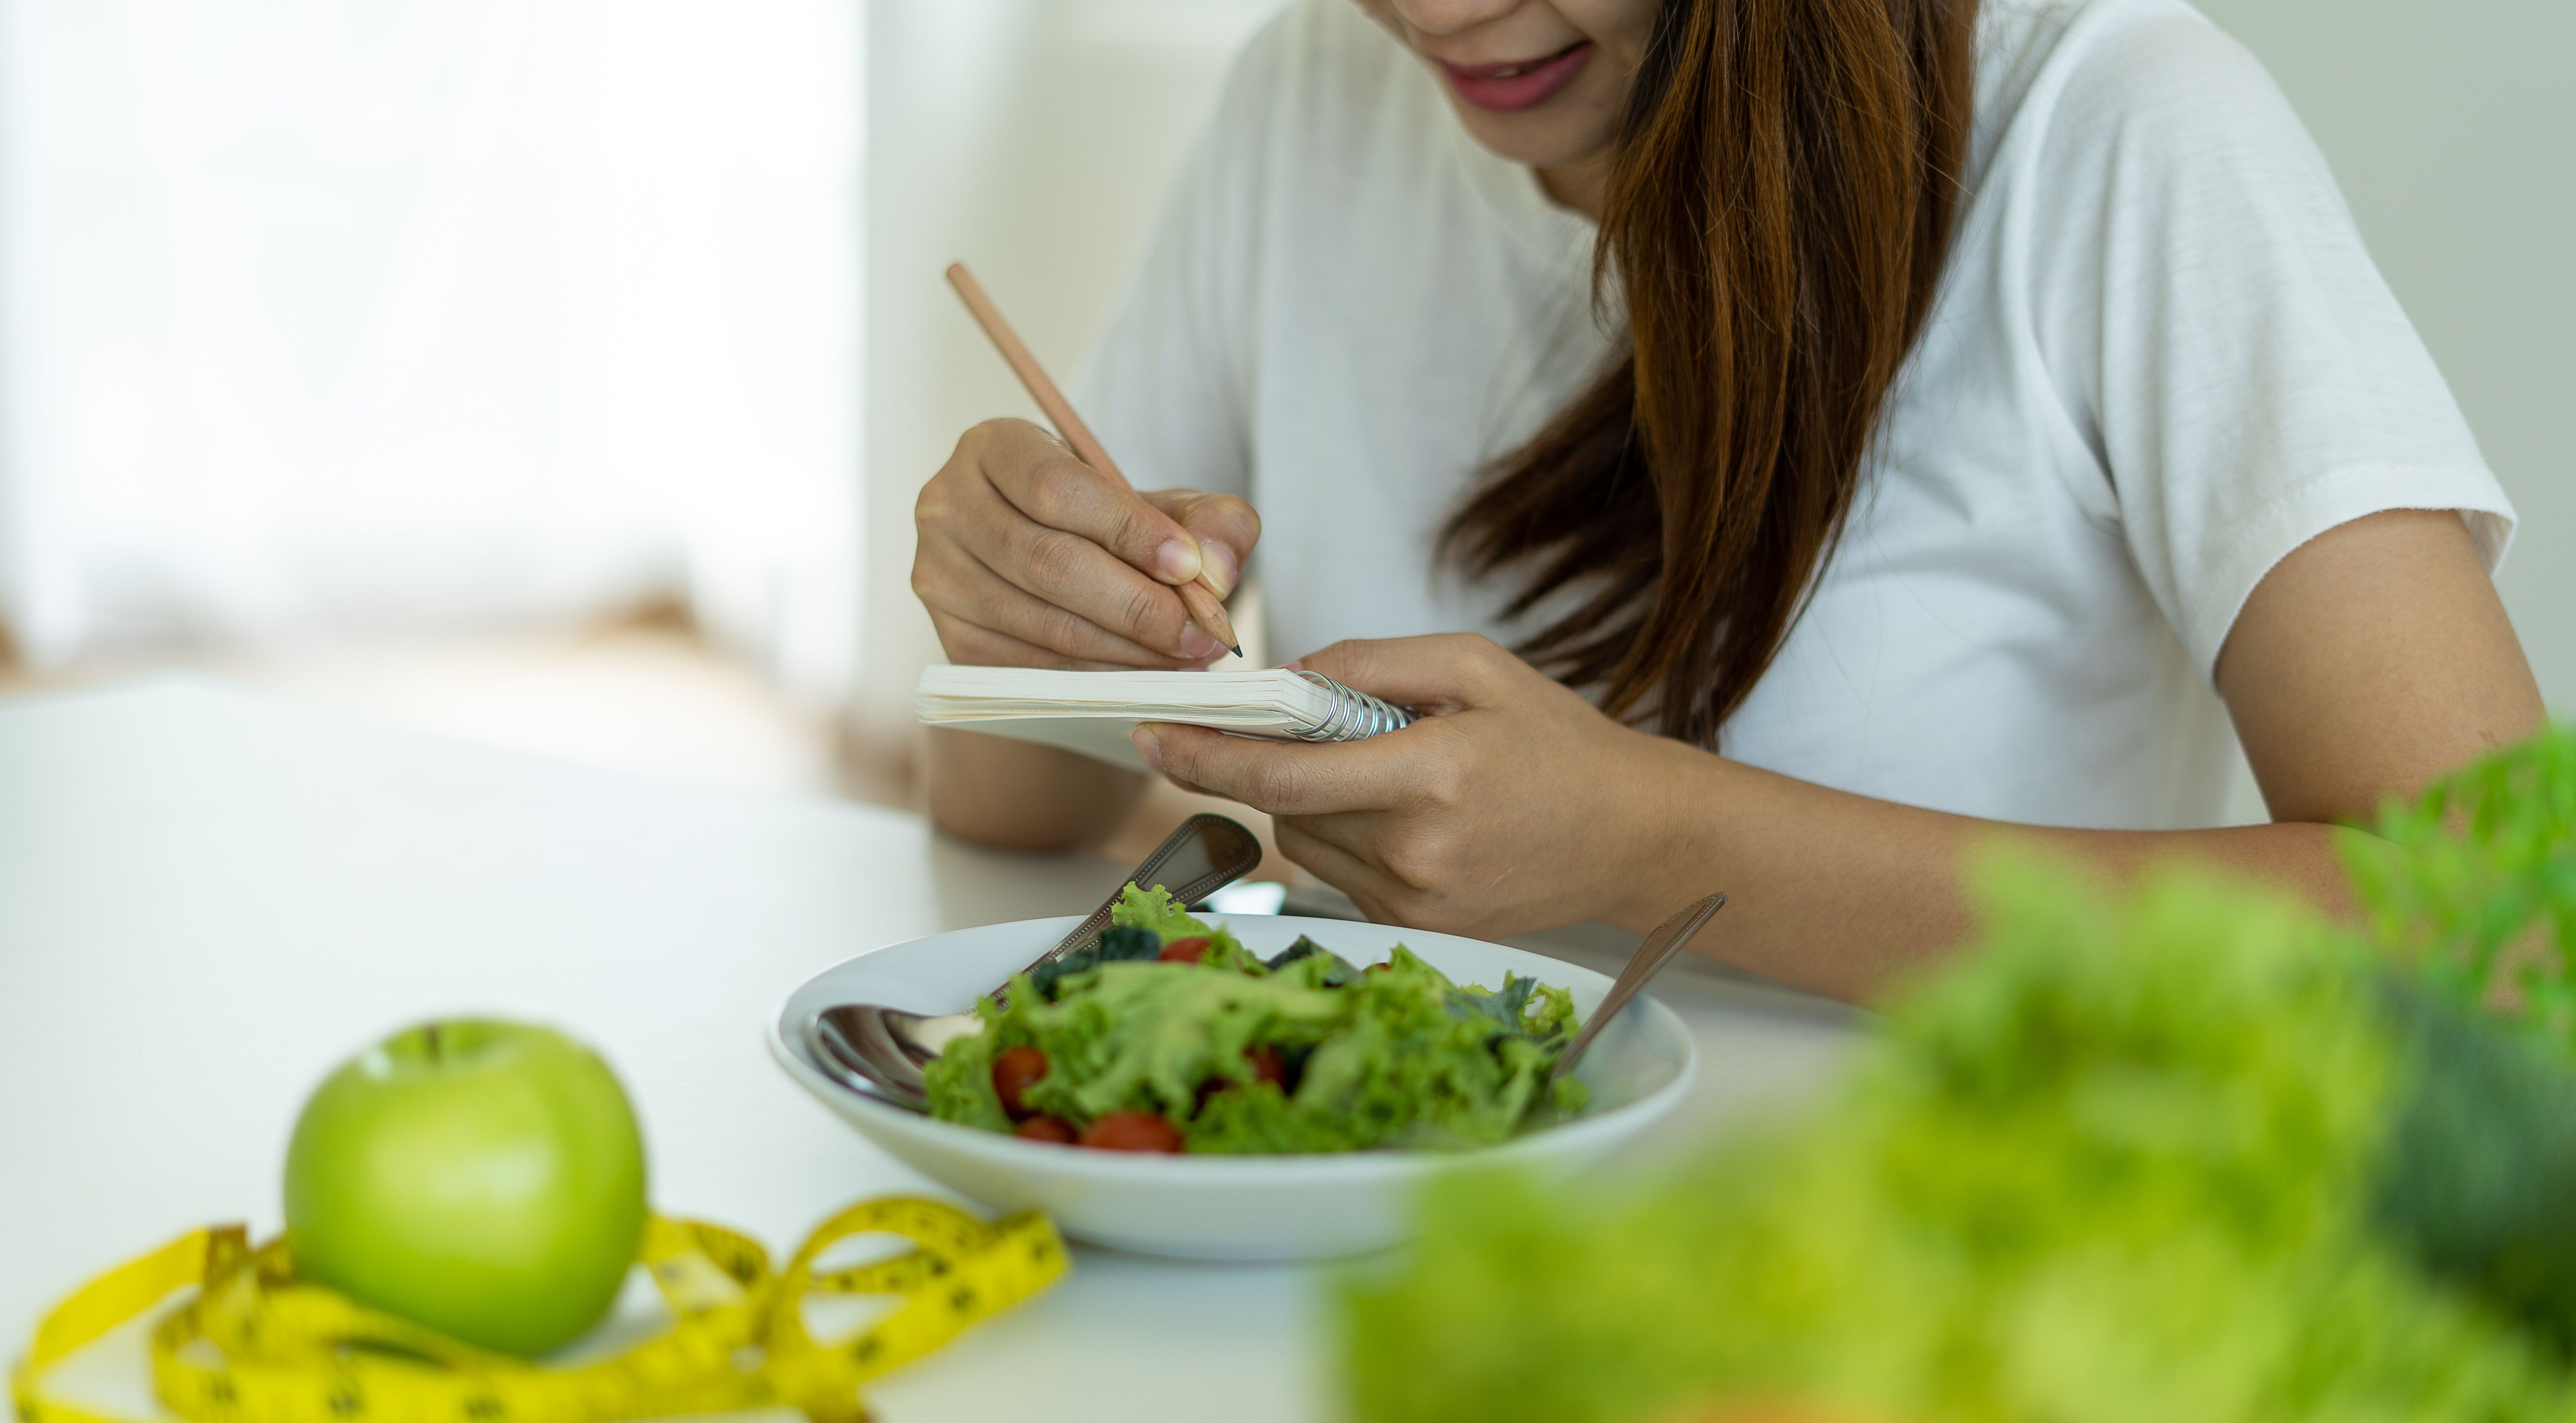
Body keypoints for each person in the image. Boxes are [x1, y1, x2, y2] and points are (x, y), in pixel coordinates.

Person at [908, 0, 2544, 1001]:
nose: (1438, 11)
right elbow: (1008, 816)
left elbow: (2504, 944)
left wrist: (1657, 844)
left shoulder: (2115, 129)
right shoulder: (1306, 95)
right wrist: (1031, 606)